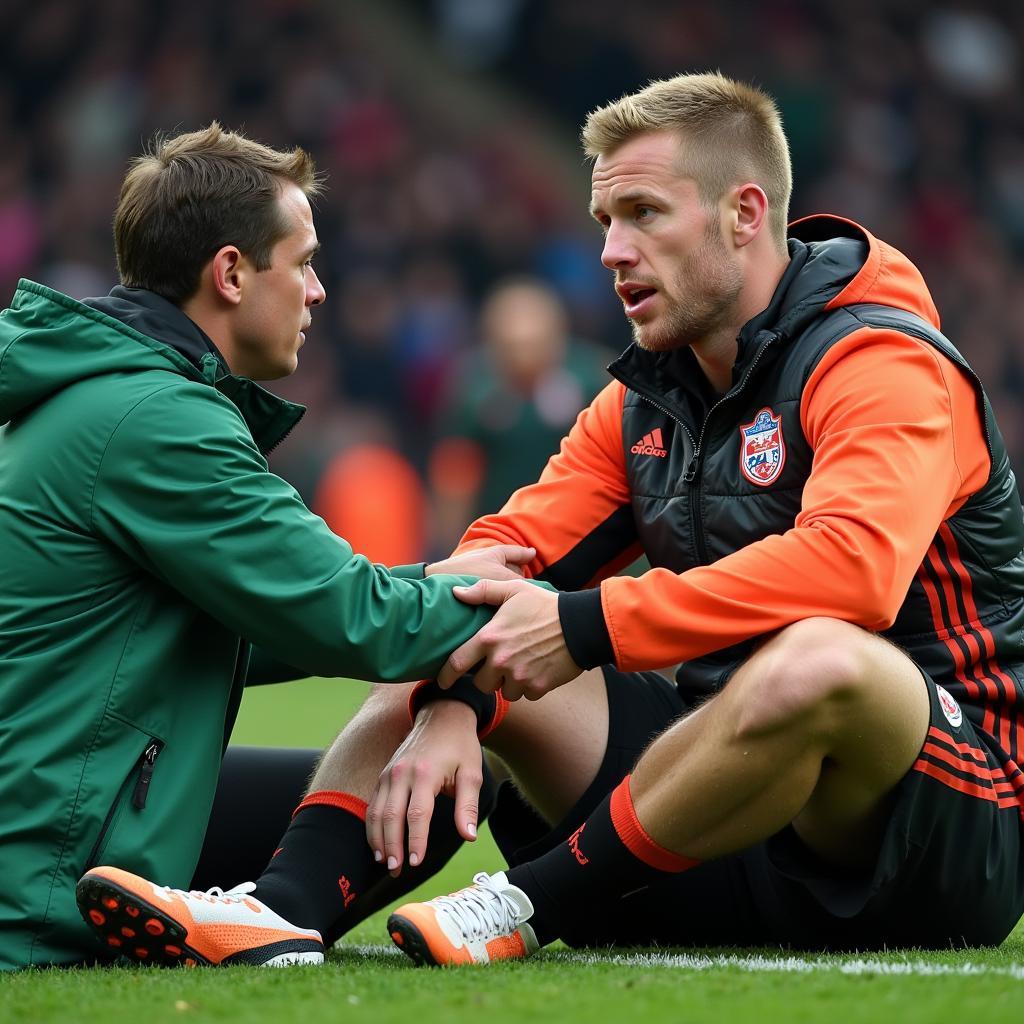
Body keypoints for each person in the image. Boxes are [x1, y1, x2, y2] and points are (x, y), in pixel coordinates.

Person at [79, 71, 1024, 968]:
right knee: (462, 595)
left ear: (745, 215)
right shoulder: (643, 396)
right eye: (605, 220)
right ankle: (280, 913)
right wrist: (456, 699)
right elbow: (497, 553)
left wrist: (581, 625)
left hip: (938, 833)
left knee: (821, 659)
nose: (612, 250)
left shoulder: (882, 361)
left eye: (644, 214)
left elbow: (851, 573)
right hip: (706, 814)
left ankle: (528, 903)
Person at [0, 123, 536, 971]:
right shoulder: (157, 419)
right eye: (305, 262)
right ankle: (261, 929)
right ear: (232, 274)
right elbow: (343, 617)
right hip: (43, 875)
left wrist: (433, 581)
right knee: (416, 786)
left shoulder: (113, 394)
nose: (319, 291)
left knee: (411, 798)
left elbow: (243, 626)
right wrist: (544, 615)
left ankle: (257, 919)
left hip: (67, 799)